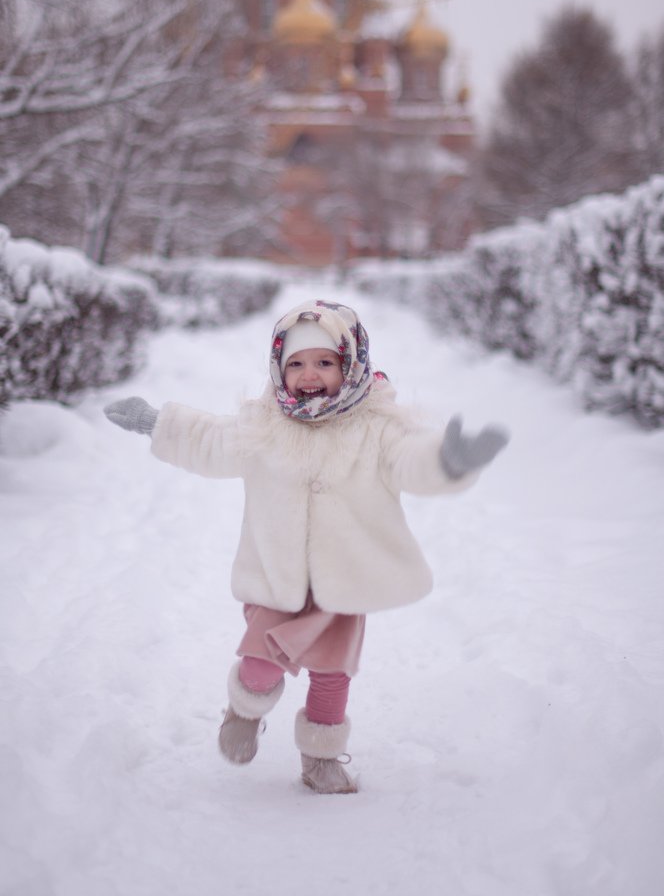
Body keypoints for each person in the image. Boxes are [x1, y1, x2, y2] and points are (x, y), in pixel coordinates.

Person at [104, 298, 508, 794]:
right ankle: (245, 708)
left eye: (324, 362)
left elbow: (411, 459)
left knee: (332, 676)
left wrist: (448, 458)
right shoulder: (264, 425)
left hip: (343, 583)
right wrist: (156, 422)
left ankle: (321, 760)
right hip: (276, 578)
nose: (308, 374)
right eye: (294, 363)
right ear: (277, 367)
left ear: (350, 362)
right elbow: (211, 441)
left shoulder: (379, 429)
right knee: (260, 663)